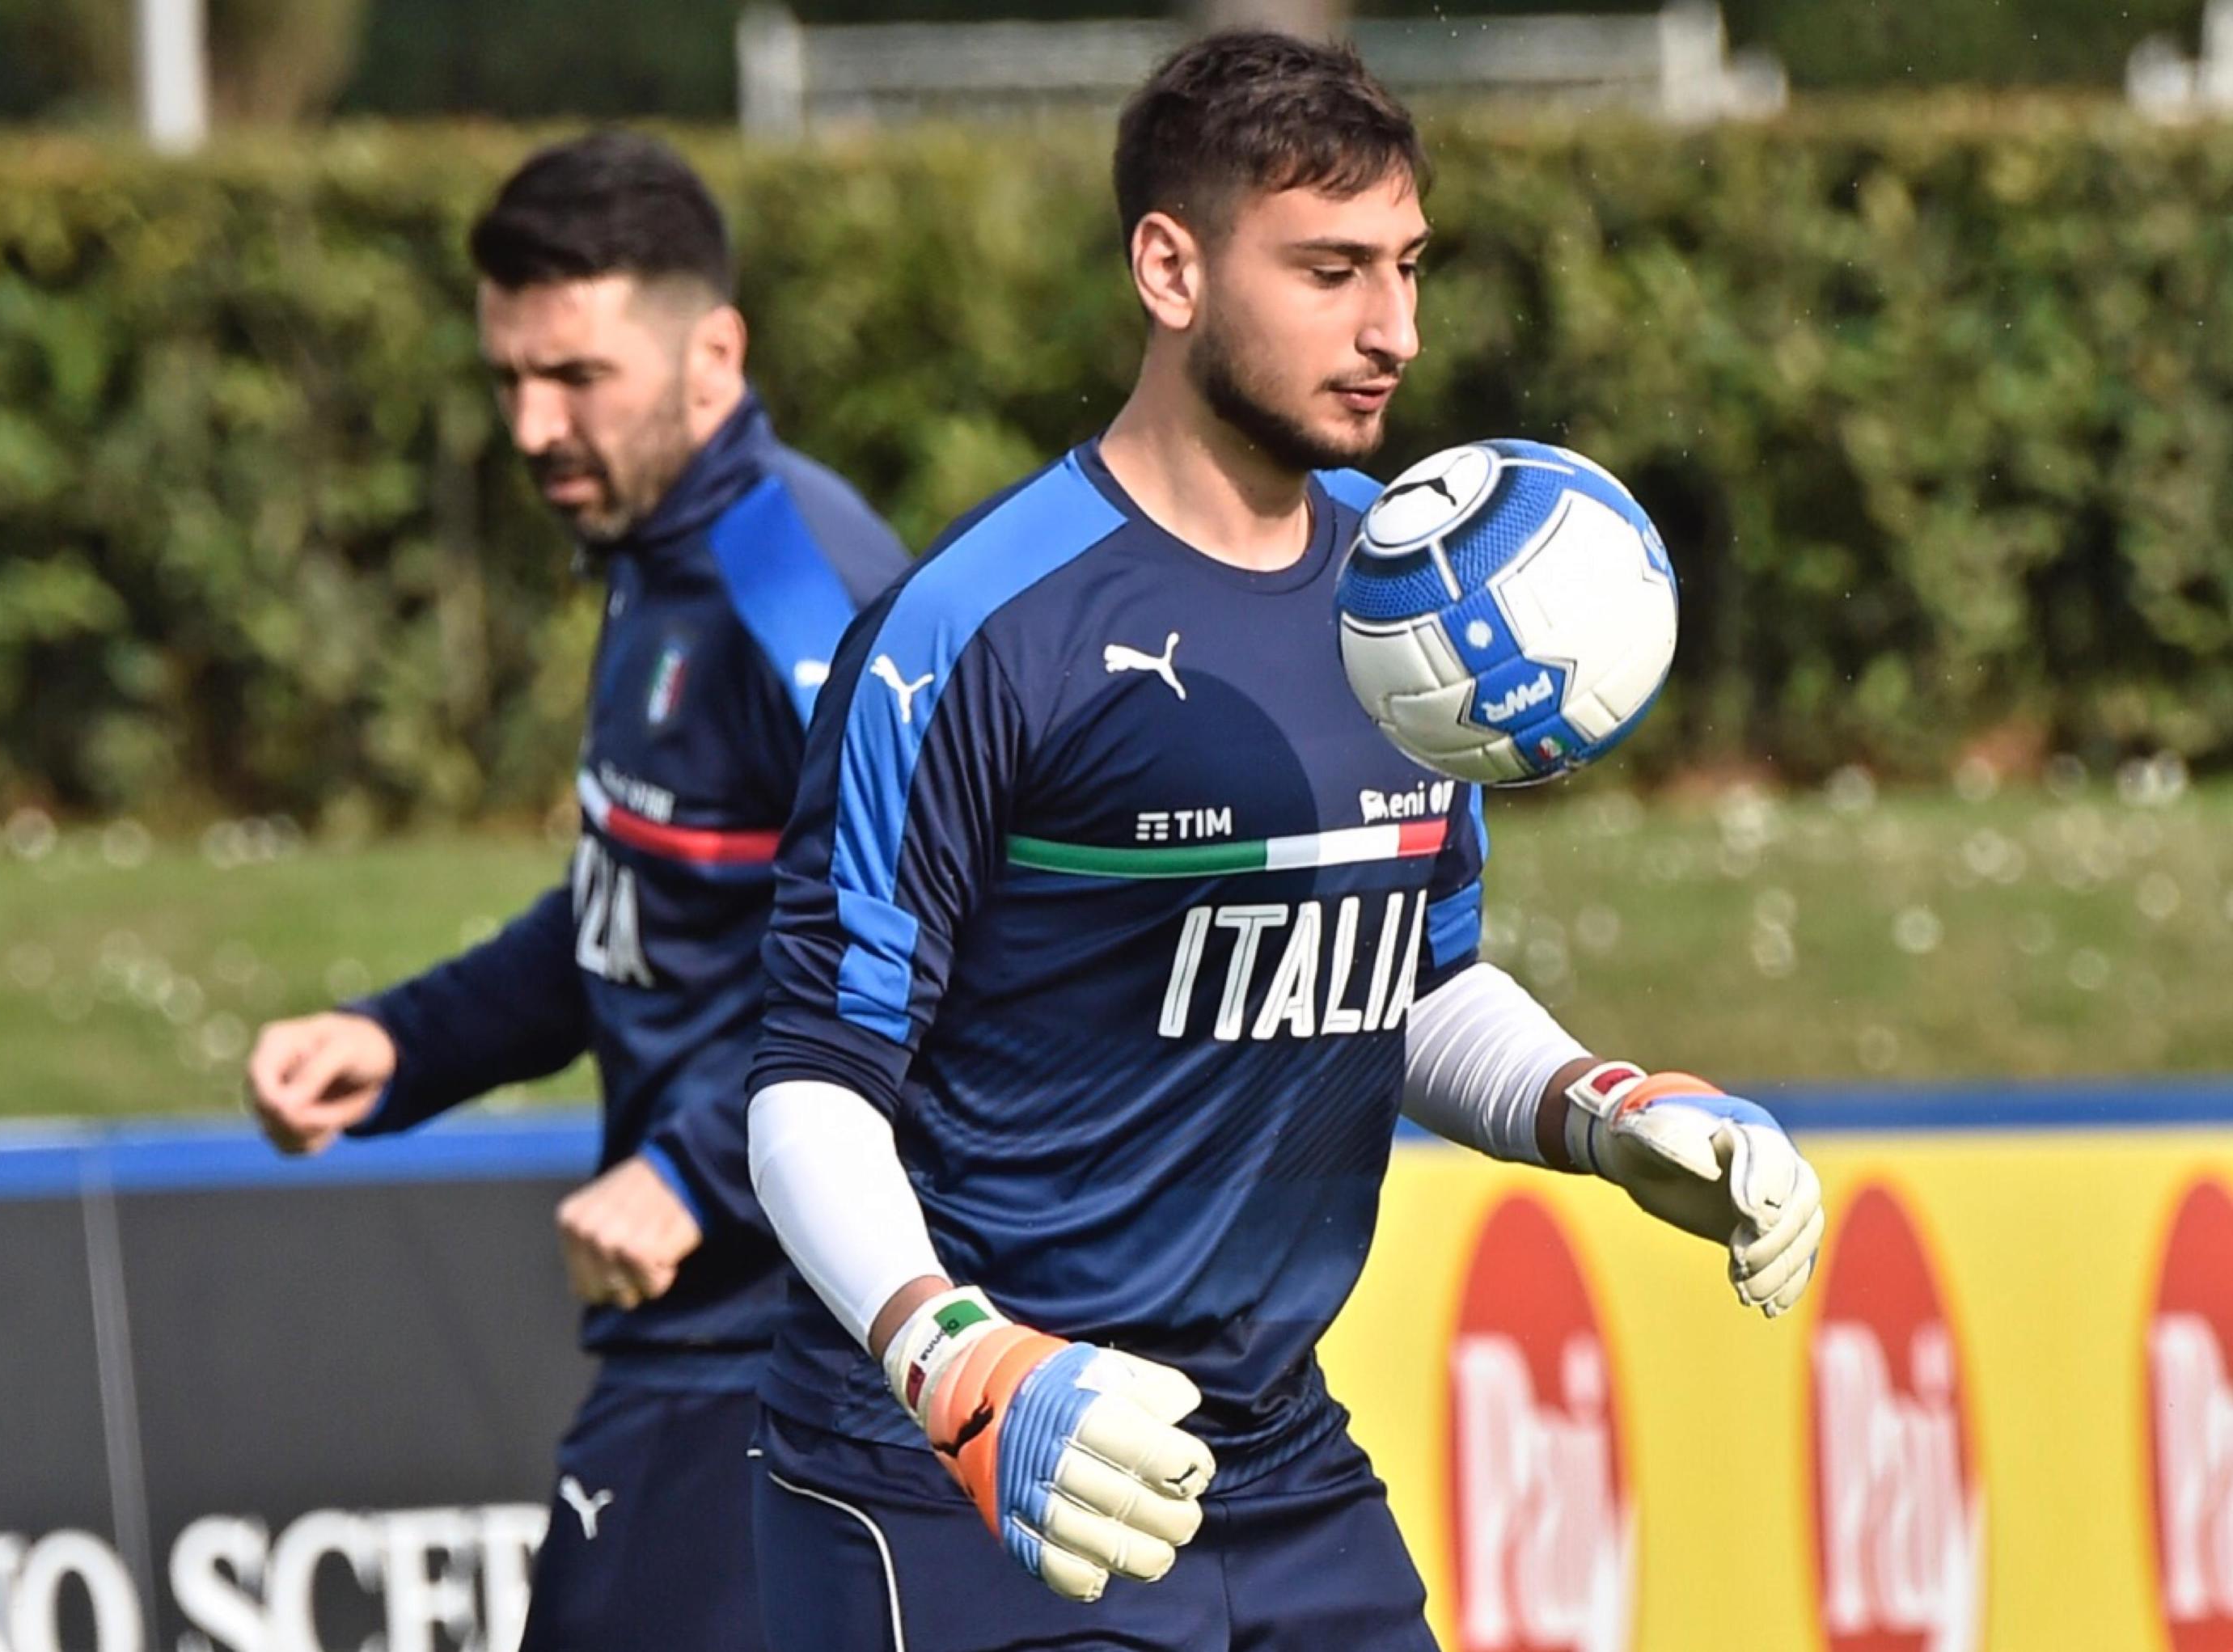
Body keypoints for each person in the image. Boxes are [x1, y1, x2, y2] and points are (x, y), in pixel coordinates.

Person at [741, 32, 1826, 1652]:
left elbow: (1412, 980)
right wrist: (961, 1363)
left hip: (1272, 1462)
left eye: (1408, 264)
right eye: (1330, 271)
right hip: (969, 1473)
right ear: (1169, 270)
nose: (1394, 329)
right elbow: (810, 1083)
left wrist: (1604, 1109)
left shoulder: (1412, 602)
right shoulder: (973, 630)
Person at [242, 132, 907, 1651]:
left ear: (713, 354)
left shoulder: (796, 594)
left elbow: (944, 953)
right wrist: (399, 1042)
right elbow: (630, 912)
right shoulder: (654, 550)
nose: (535, 426)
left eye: (578, 377)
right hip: (698, 1338)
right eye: (508, 379)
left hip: (797, 1350)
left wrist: (695, 1173)